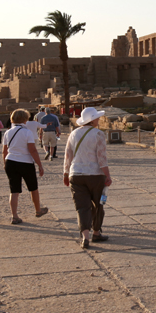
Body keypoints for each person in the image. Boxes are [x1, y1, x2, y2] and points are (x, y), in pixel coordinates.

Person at [63, 106, 111, 249]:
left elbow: (68, 155)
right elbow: (101, 158)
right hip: (95, 174)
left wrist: (65, 173)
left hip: (76, 174)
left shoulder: (73, 134)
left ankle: (85, 236)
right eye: (97, 117)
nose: (99, 119)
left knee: (82, 207)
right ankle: (96, 232)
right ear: (92, 120)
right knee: (99, 204)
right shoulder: (98, 134)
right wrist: (107, 175)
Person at [2, 109, 48, 224]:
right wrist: (40, 165)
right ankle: (38, 210)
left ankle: (14, 216)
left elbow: (4, 151)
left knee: (14, 190)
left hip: (10, 161)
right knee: (33, 188)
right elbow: (32, 150)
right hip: (25, 162)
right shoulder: (27, 132)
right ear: (25, 119)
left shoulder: (8, 132)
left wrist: (4, 163)